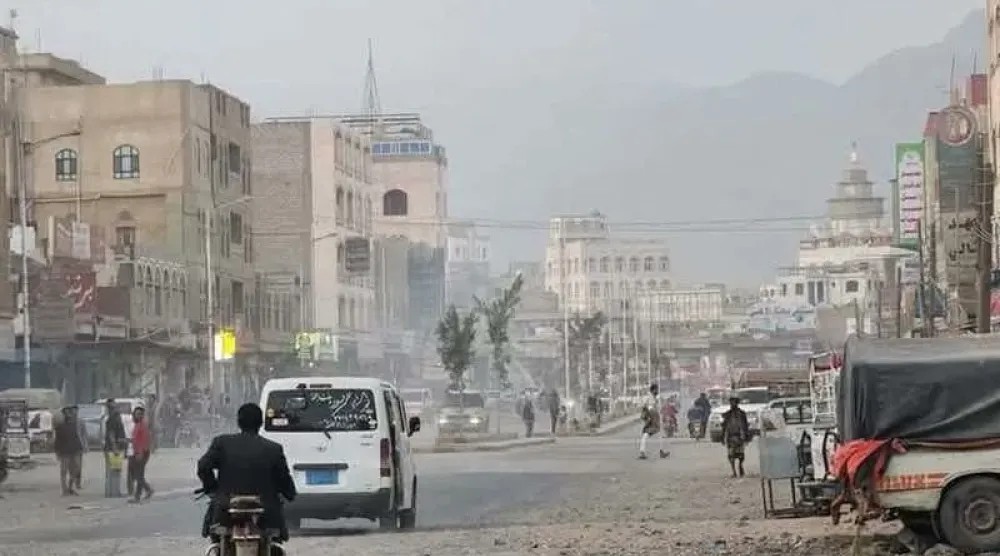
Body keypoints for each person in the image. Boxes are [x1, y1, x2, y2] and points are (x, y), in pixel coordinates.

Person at [198, 403, 296, 550]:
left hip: (226, 508)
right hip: (266, 512)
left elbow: (203, 466)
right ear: (261, 423)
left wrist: (212, 488)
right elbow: (284, 479)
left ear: (238, 422)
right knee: (274, 545)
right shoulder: (273, 449)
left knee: (217, 540)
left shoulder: (222, 443)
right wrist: (289, 493)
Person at [53, 406, 84, 496]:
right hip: (65, 451)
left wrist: (81, 448)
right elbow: (57, 440)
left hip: (75, 449)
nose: (69, 414)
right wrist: (57, 452)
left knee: (76, 468)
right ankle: (64, 489)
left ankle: (70, 486)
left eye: (69, 412)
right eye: (66, 413)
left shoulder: (74, 425)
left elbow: (76, 437)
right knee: (64, 471)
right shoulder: (60, 427)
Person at [129, 406, 154, 502]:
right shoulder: (137, 424)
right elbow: (136, 439)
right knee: (139, 474)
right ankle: (138, 496)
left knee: (137, 475)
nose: (137, 416)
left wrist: (140, 452)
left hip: (142, 452)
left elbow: (144, 440)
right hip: (138, 451)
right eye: (136, 414)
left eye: (140, 414)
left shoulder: (142, 425)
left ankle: (148, 489)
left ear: (142, 415)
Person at [721, 396, 750, 478]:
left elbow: (745, 426)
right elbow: (724, 426)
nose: (732, 404)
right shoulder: (727, 414)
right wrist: (722, 437)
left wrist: (746, 436)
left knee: (741, 455)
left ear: (737, 403)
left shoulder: (742, 414)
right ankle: (734, 471)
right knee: (731, 455)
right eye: (731, 402)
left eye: (733, 402)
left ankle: (740, 466)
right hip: (730, 437)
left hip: (739, 437)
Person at [103, 399, 127, 498]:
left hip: (111, 447)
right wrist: (115, 448)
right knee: (115, 471)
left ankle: (110, 492)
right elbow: (111, 435)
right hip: (113, 448)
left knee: (111, 471)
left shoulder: (111, 419)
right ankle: (114, 492)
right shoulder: (113, 419)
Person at [638, 384, 668, 460]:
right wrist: (653, 416)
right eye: (656, 390)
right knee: (649, 433)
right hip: (651, 417)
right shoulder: (650, 397)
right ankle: (644, 452)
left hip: (652, 417)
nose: (657, 391)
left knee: (649, 434)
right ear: (653, 390)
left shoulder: (653, 397)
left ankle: (644, 451)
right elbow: (648, 407)